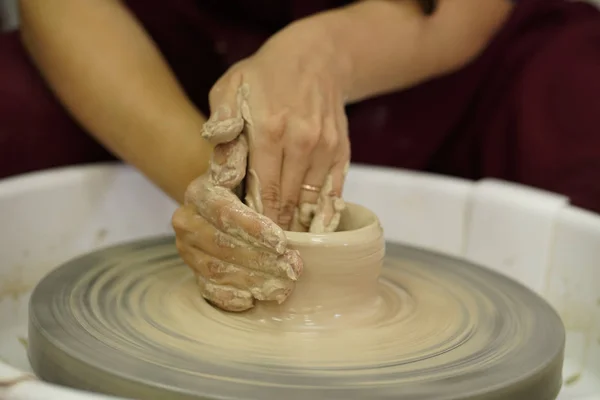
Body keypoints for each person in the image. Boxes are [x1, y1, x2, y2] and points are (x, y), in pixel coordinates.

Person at [2, 0, 600, 311]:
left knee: (582, 101)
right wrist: (214, 180)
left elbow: (461, 13)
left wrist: (320, 57)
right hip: (168, 53)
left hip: (425, 55)